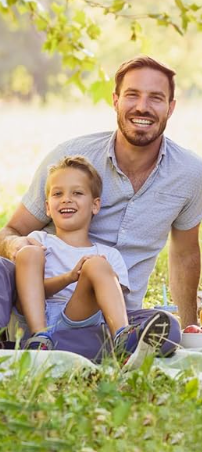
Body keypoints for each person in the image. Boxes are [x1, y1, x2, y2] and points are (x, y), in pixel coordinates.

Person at [0, 56, 202, 361]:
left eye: (156, 98)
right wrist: (20, 247)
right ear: (116, 101)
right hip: (35, 306)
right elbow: (11, 231)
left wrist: (192, 327)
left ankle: (44, 349)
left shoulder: (188, 173)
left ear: (171, 107)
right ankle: (40, 341)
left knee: (168, 332)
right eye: (132, 95)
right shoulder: (71, 158)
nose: (142, 107)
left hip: (107, 319)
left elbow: (186, 253)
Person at [14, 155, 171, 369]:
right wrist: (68, 278)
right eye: (57, 193)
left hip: (79, 318)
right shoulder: (39, 241)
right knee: (28, 252)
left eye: (77, 193)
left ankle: (123, 339)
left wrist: (85, 275)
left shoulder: (108, 255)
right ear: (48, 207)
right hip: (38, 315)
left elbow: (108, 304)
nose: (66, 199)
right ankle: (39, 339)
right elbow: (27, 292)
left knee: (96, 264)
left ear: (95, 205)